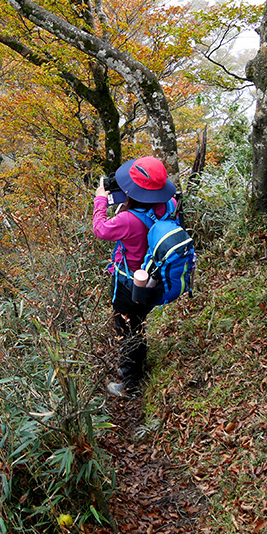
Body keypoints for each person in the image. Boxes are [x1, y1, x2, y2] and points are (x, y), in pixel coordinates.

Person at [93, 156, 176, 399]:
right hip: (152, 281)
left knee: (128, 329)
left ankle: (130, 384)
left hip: (128, 284)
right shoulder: (168, 204)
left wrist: (100, 198)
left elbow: (100, 228)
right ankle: (135, 364)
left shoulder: (127, 220)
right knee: (137, 324)